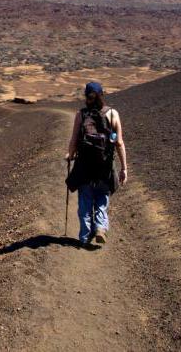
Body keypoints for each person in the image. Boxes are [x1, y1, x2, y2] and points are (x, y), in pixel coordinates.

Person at [65, 82, 128, 246]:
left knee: (85, 202)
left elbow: (73, 140)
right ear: (102, 95)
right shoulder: (113, 114)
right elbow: (119, 143)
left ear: (86, 97)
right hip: (105, 168)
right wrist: (124, 168)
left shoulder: (81, 114)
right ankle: (100, 227)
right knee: (102, 199)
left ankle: (84, 237)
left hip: (84, 167)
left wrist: (70, 155)